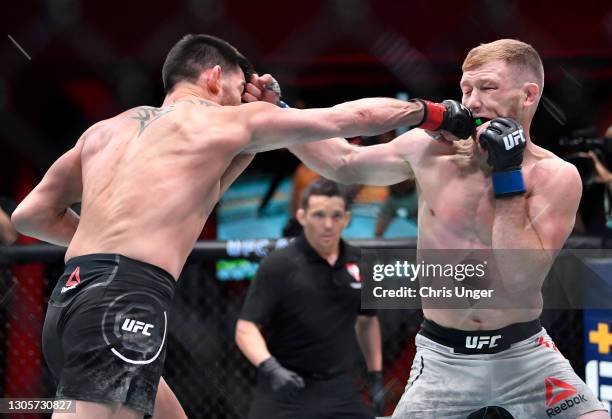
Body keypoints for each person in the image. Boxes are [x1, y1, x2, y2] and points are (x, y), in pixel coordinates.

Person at [10, 34, 471, 419]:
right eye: (238, 88)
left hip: (69, 303)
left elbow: (30, 214)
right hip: (125, 301)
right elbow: (358, 119)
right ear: (214, 77)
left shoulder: (104, 131)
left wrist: (107, 247)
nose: (242, 100)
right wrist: (433, 113)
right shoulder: (218, 122)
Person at [287, 39, 609, 418]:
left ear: (528, 95)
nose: (471, 102)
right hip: (443, 357)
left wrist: (507, 175)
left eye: (487, 88)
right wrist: (277, 113)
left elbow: (518, 277)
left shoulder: (555, 175)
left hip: (524, 351)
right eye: (466, 89)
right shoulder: (429, 151)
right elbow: (343, 161)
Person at [236, 178, 385, 419]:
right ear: (302, 216)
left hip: (340, 388)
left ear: (346, 219)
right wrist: (271, 368)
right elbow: (246, 328)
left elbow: (367, 321)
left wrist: (376, 375)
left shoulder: (360, 261)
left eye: (336, 216)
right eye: (318, 215)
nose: (328, 224)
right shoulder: (279, 265)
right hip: (285, 387)